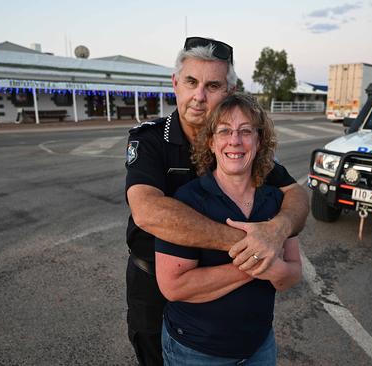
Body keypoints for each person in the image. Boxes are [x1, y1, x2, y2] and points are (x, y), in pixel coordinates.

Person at [125, 37, 308, 366]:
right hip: (154, 282)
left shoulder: (237, 145)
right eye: (191, 82)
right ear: (175, 83)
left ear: (230, 90)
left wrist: (277, 229)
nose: (198, 96)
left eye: (212, 85)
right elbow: (146, 211)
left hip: (227, 299)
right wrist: (251, 247)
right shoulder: (151, 139)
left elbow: (295, 194)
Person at [155, 92, 302, 364]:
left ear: (259, 141)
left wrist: (275, 267)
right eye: (224, 131)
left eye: (246, 131)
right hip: (196, 351)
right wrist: (259, 259)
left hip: (259, 346)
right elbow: (173, 286)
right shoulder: (188, 200)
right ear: (211, 142)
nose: (235, 140)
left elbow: (292, 275)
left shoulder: (276, 201)